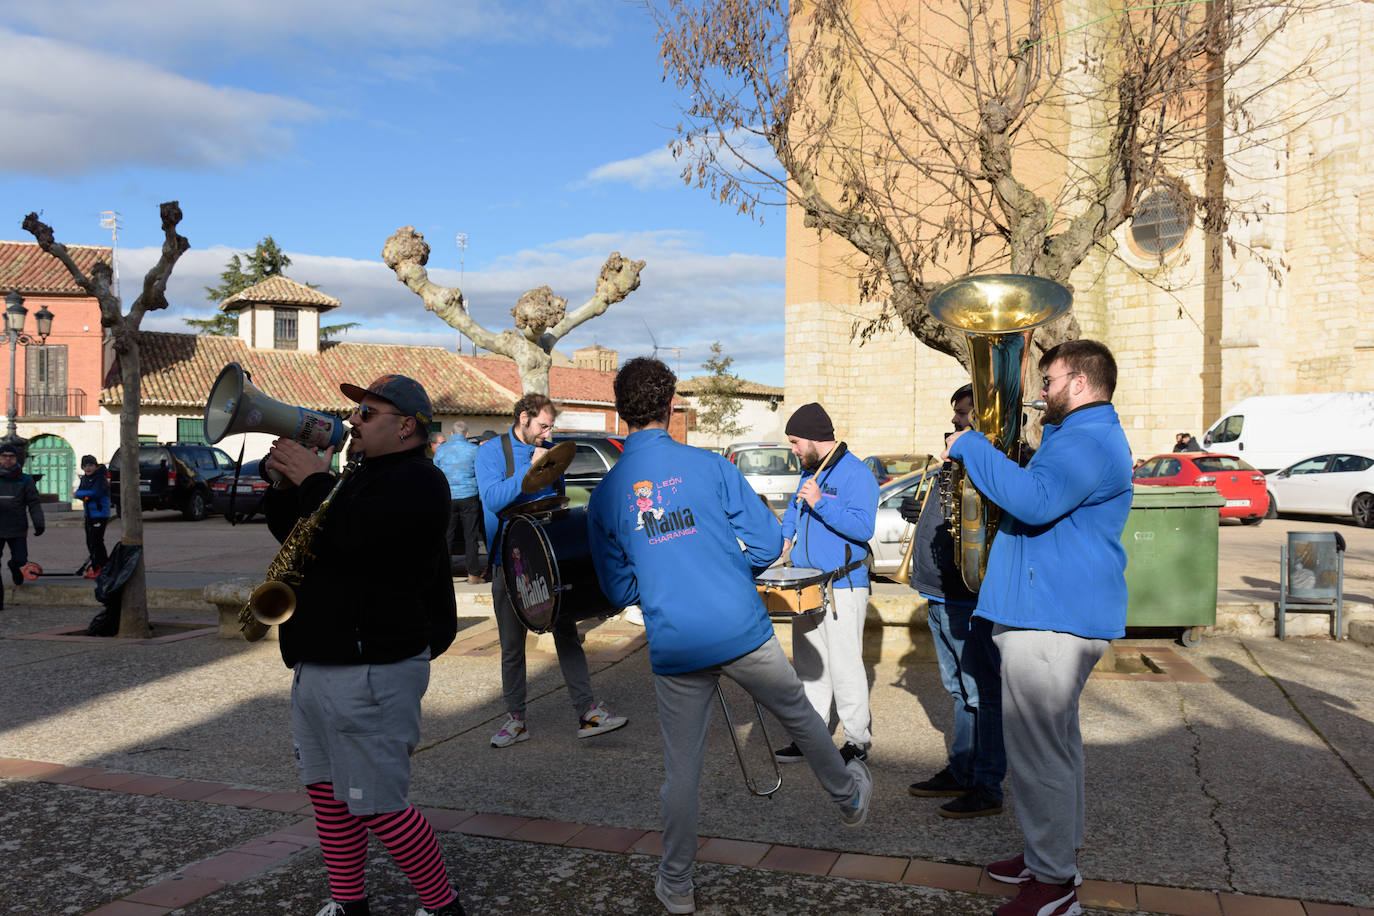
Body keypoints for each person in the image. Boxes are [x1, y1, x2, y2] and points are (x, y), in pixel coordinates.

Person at [587, 358, 872, 915]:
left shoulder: (606, 493)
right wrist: (722, 570)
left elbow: (619, 585)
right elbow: (767, 545)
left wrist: (665, 585)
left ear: (619, 413)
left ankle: (676, 886)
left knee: (681, 772)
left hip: (676, 643)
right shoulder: (711, 466)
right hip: (740, 628)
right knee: (800, 716)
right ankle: (848, 798)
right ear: (673, 406)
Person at [262, 374, 466, 916]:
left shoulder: (420, 482)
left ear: (406, 427)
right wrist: (287, 483)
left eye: (367, 413)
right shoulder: (356, 475)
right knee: (329, 798)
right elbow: (298, 532)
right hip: (321, 659)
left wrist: (313, 480)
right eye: (355, 412)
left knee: (378, 807)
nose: (352, 421)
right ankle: (350, 903)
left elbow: (360, 540)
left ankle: (444, 908)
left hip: (371, 664)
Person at [944, 340, 1132, 916]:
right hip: (1048, 613)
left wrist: (973, 445)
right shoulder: (1080, 437)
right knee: (1056, 748)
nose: (1039, 393)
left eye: (1047, 382)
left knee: (1038, 756)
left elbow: (1036, 500)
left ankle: (1052, 888)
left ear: (1078, 383)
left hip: (1050, 618)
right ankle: (1050, 858)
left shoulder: (1087, 438)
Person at [476, 393, 627, 748]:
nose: (547, 433)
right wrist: (531, 471)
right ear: (524, 418)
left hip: (545, 558)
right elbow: (494, 500)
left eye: (550, 426)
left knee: (566, 633)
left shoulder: (549, 448)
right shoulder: (491, 451)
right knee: (512, 646)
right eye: (543, 425)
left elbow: (558, 499)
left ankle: (588, 712)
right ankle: (515, 720)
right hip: (507, 562)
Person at [899, 384, 1005, 819]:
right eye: (956, 414)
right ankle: (963, 769)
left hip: (964, 597)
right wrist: (917, 509)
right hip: (937, 592)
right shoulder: (951, 465)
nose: (955, 422)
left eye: (963, 414)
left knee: (980, 692)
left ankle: (986, 784)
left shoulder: (987, 465)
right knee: (958, 690)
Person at [773, 402, 878, 765]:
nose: (793, 450)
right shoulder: (809, 471)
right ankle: (811, 737)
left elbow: (864, 529)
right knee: (809, 666)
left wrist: (821, 504)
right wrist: (783, 541)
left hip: (844, 586)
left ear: (816, 439)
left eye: (795, 442)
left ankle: (856, 742)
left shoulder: (857, 473)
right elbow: (791, 513)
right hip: (807, 585)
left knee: (845, 664)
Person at [433, 420, 485, 583]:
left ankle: (445, 574)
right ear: (467, 435)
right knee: (471, 537)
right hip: (469, 496)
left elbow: (436, 471)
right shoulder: (475, 450)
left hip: (448, 497)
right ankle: (473, 574)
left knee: (447, 536)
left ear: (452, 434)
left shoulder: (441, 449)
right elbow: (480, 473)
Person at [0, 443, 44, 607]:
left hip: (17, 527)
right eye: (4, 456)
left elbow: (33, 503)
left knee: (20, 559)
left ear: (16, 458)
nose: (8, 459)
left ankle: (13, 566)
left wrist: (39, 522)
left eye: (11, 456)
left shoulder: (25, 479)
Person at [74, 454, 111, 578]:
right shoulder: (85, 479)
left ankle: (104, 567)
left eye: (90, 465)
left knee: (97, 541)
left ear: (95, 466)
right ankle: (96, 567)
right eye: (85, 466)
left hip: (100, 514)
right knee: (90, 541)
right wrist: (83, 494)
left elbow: (95, 493)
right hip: (88, 514)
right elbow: (80, 492)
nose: (88, 468)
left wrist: (82, 494)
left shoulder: (100, 478)